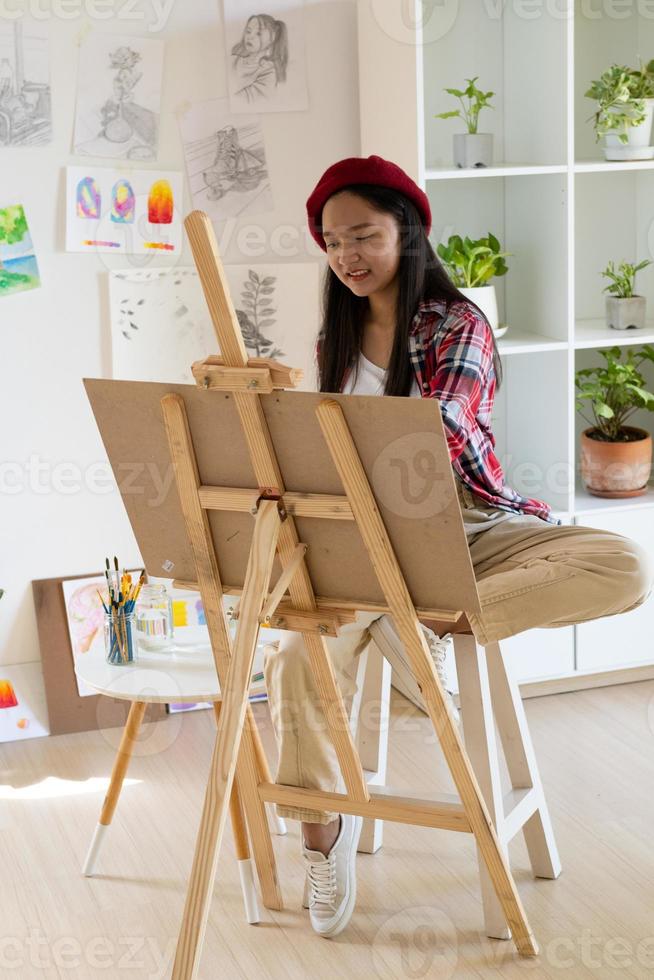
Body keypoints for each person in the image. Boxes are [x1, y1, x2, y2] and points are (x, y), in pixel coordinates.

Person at [262, 154, 654, 940]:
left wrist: (334, 435)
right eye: (333, 242)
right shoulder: (334, 337)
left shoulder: (456, 322)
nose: (347, 256)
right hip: (361, 544)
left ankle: (431, 623)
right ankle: (321, 837)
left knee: (621, 563)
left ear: (406, 229)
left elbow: (441, 423)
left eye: (364, 235)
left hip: (465, 524)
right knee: (294, 662)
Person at [231, 14, 288, 104]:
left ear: (272, 38)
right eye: (248, 31)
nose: (250, 37)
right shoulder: (233, 60)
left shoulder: (268, 71)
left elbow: (242, 102)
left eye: (258, 33)